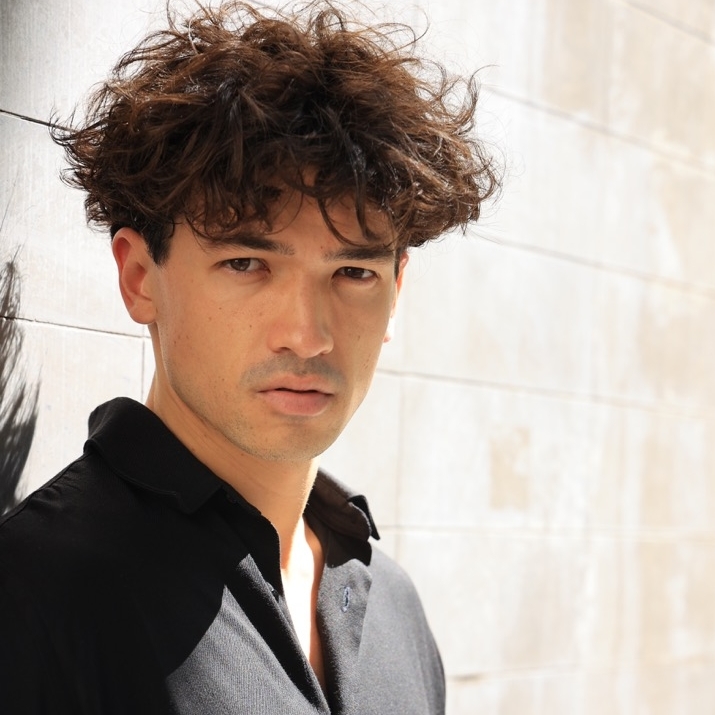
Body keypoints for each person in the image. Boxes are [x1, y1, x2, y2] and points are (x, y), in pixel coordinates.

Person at [0, 1, 499, 712]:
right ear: (139, 278)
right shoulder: (38, 592)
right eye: (245, 263)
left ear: (396, 292)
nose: (307, 334)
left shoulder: (395, 607)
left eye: (353, 272)